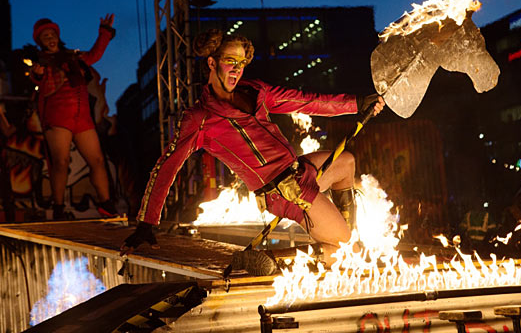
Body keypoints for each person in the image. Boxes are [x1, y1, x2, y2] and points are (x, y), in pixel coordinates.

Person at [121, 29, 385, 275]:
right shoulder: (200, 117)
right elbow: (167, 166)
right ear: (212, 63)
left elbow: (306, 101)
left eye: (241, 62)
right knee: (348, 252)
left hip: (298, 170)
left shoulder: (255, 90)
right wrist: (146, 222)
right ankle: (273, 257)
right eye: (229, 61)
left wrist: (357, 103)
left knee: (345, 163)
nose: (236, 69)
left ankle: (339, 234)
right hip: (283, 192)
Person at [30, 15, 118, 220]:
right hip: (58, 117)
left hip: (82, 117)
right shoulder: (42, 62)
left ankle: (106, 204)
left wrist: (104, 32)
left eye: (52, 34)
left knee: (97, 160)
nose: (50, 38)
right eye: (45, 36)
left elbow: (94, 55)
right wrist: (38, 74)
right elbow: (38, 79)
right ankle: (59, 208)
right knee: (61, 161)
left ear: (58, 36)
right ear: (40, 41)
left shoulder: (73, 57)